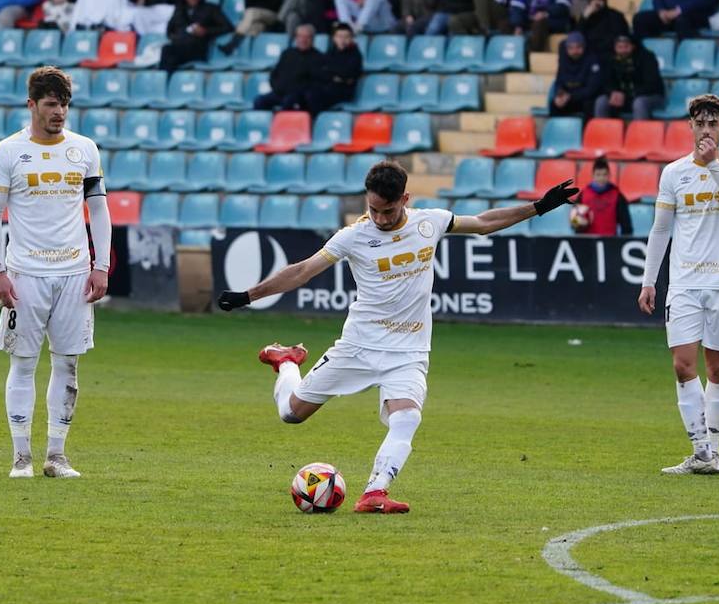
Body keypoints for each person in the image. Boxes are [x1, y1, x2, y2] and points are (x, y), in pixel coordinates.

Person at [216, 160, 579, 513]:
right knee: (291, 414)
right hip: (358, 347)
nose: (380, 218)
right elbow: (302, 272)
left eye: (387, 211)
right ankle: (286, 362)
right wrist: (249, 296)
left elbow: (483, 223)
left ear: (405, 199)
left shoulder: (430, 223)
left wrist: (539, 207)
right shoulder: (353, 236)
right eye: (373, 209)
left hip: (408, 351)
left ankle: (374, 492)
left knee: (407, 418)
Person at [0, 67, 110, 480]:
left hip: (74, 273)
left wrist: (101, 264)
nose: (60, 112)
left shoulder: (85, 149)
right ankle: (21, 457)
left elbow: (100, 210)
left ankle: (57, 456)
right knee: (22, 363)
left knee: (68, 365)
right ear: (32, 105)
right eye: (52, 104)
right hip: (25, 275)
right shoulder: (7, 152)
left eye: (65, 104)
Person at [638, 93, 719, 475]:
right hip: (684, 282)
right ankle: (701, 452)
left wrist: (713, 164)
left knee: (716, 369)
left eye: (713, 124)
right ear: (690, 126)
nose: (706, 129)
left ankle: (713, 451)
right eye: (699, 123)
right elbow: (662, 228)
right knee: (683, 365)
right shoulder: (673, 173)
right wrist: (649, 279)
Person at [160, 0, 233, 71]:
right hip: (179, 45)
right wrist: (176, 37)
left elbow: (228, 27)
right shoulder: (179, 10)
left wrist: (206, 31)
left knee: (169, 55)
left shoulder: (210, 8)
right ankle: (167, 81)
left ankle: (166, 80)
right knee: (167, 51)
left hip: (197, 48)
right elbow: (169, 30)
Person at [596, 33, 665, 119]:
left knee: (639, 103)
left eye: (626, 47)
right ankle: (603, 131)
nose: (623, 50)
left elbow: (652, 85)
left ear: (633, 46)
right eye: (619, 47)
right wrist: (612, 92)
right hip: (623, 98)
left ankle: (640, 132)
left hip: (650, 97)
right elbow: (606, 82)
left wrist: (628, 95)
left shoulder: (647, 58)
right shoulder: (610, 59)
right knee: (601, 101)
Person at [551, 31, 605, 117]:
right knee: (554, 104)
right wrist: (560, 94)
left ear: (584, 47)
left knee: (589, 104)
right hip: (569, 98)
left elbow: (592, 89)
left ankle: (587, 130)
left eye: (578, 47)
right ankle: (559, 129)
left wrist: (571, 96)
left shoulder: (593, 60)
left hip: (585, 98)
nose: (575, 51)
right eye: (571, 48)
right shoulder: (564, 61)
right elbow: (559, 81)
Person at [576, 157, 632, 236]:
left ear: (609, 175)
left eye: (604, 174)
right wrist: (578, 224)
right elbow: (574, 220)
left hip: (609, 243)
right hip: (588, 242)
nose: (601, 178)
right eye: (598, 175)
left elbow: (626, 225)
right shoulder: (583, 195)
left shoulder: (617, 196)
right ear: (593, 175)